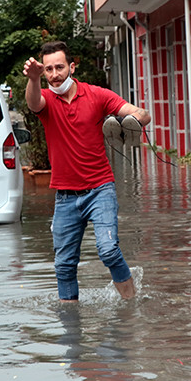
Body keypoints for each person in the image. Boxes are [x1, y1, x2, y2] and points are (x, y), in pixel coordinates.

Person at [23, 41, 152, 302]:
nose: (54, 74)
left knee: (108, 250)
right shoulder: (46, 99)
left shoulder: (97, 95)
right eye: (48, 69)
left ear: (71, 66)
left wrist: (132, 120)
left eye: (59, 67)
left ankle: (132, 306)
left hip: (100, 189)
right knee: (64, 265)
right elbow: (33, 102)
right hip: (65, 196)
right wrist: (34, 79)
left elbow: (142, 113)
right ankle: (71, 327)